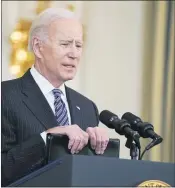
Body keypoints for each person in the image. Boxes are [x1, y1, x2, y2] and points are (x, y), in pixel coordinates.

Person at [1, 8, 109, 186]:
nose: (74, 53)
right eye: (65, 44)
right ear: (38, 47)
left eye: (78, 45)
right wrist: (46, 138)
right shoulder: (5, 96)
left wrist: (100, 149)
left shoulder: (88, 107)